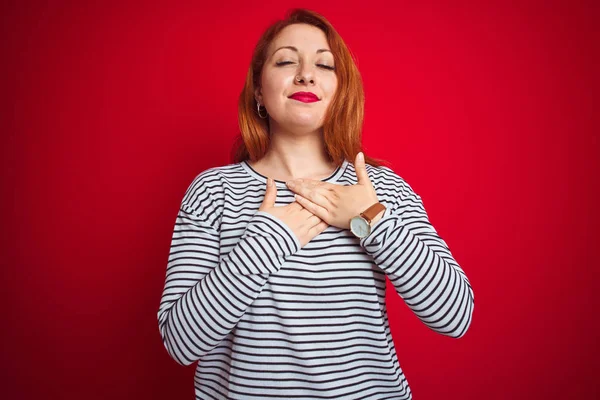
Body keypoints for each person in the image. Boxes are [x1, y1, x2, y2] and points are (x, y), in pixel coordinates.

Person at [157, 8, 474, 400]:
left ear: (340, 90)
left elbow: (456, 316)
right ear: (258, 89)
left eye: (324, 65)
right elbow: (180, 342)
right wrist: (265, 243)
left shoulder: (379, 190)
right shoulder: (214, 192)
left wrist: (371, 219)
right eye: (287, 60)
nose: (306, 74)